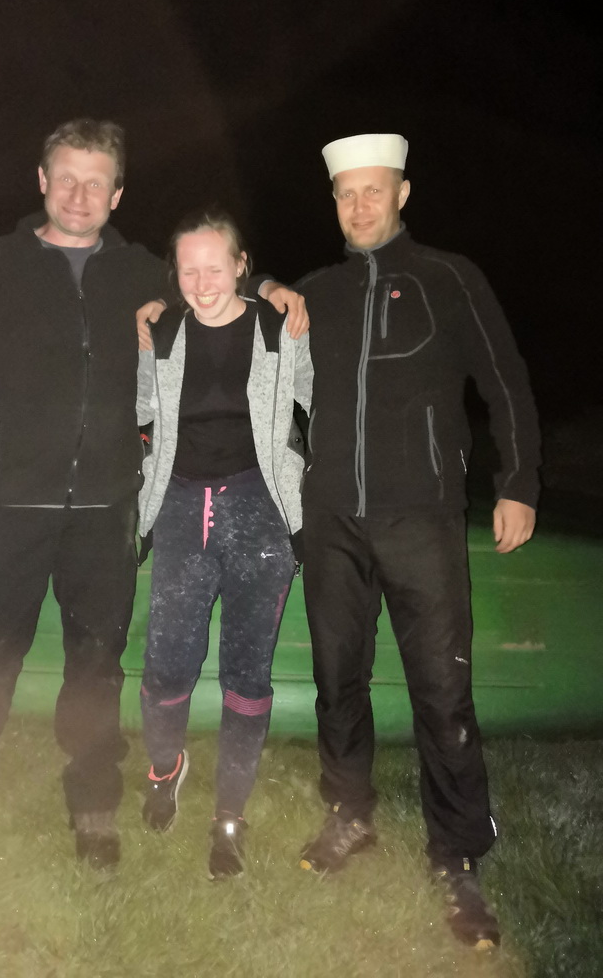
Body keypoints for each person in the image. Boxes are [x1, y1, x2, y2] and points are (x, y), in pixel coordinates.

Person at [0, 119, 306, 875]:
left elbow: (214, 278)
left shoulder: (143, 272)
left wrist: (270, 285)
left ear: (117, 194)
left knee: (95, 670)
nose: (80, 194)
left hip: (107, 511)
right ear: (41, 181)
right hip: (9, 505)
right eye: (66, 178)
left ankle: (92, 805)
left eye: (97, 182)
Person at [261, 133, 540, 949]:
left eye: (374, 190)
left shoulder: (451, 278)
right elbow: (226, 291)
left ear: (403, 193)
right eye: (346, 194)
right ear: (334, 202)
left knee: (443, 691)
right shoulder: (316, 292)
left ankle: (458, 855)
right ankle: (349, 814)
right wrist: (267, 285)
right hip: (332, 520)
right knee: (336, 679)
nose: (360, 206)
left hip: (422, 516)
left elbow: (505, 380)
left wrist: (518, 482)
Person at [135, 210, 313, 879]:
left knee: (247, 673)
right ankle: (165, 768)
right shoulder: (162, 332)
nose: (203, 283)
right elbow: (141, 416)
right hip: (181, 509)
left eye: (216, 267)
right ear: (175, 275)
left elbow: (316, 404)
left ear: (243, 266)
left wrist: (307, 491)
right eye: (189, 270)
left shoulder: (278, 328)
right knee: (166, 667)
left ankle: (229, 815)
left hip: (260, 512)